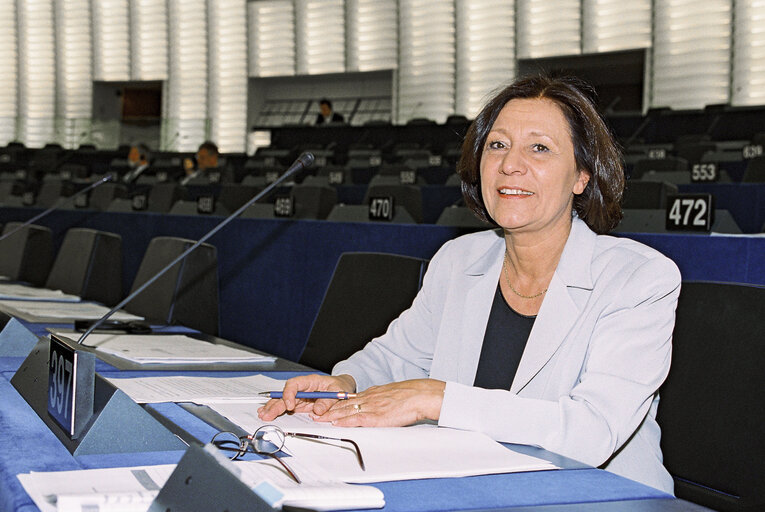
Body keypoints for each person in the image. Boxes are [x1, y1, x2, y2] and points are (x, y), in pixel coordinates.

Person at [259, 74, 681, 493]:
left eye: (539, 148)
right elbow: (395, 358)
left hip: (601, 497)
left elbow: (592, 432)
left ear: (581, 177)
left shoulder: (639, 280)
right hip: (474, 486)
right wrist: (345, 384)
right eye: (497, 145)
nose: (510, 164)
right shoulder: (459, 259)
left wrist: (438, 398)